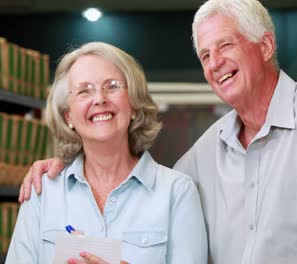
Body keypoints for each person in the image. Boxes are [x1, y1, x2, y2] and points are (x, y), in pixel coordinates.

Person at [19, 0, 297, 263]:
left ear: (266, 45)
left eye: (225, 45)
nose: (215, 62)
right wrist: (69, 163)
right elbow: (140, 178)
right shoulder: (206, 153)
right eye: (205, 55)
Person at [8, 42, 207, 264]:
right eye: (85, 90)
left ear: (133, 104)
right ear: (68, 117)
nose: (99, 99)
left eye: (112, 86)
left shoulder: (177, 193)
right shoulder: (42, 192)